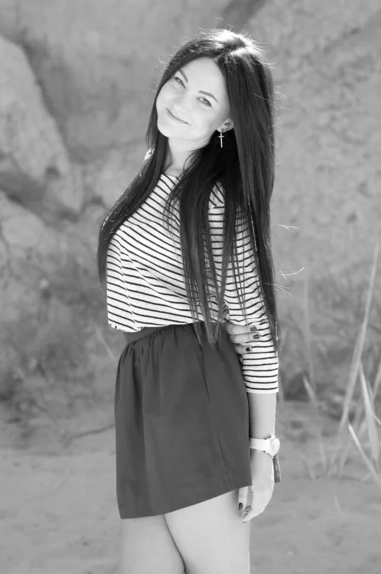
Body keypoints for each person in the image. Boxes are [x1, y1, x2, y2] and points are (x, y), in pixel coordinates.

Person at [97, 28, 282, 574]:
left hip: (191, 387)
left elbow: (257, 331)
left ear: (227, 121)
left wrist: (263, 452)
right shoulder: (156, 174)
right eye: (178, 82)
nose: (179, 102)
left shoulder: (218, 202)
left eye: (204, 100)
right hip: (145, 385)